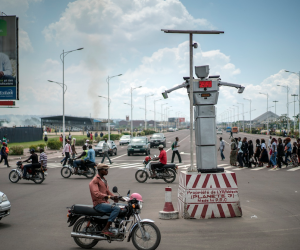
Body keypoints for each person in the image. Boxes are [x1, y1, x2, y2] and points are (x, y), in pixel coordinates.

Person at [89, 163, 119, 237]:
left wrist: (115, 196)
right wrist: (109, 197)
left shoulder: (103, 179)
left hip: (105, 202)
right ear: (100, 170)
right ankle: (105, 229)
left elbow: (107, 191)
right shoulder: (95, 180)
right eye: (105, 170)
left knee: (123, 207)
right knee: (116, 209)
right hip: (99, 204)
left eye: (107, 170)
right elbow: (96, 194)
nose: (107, 171)